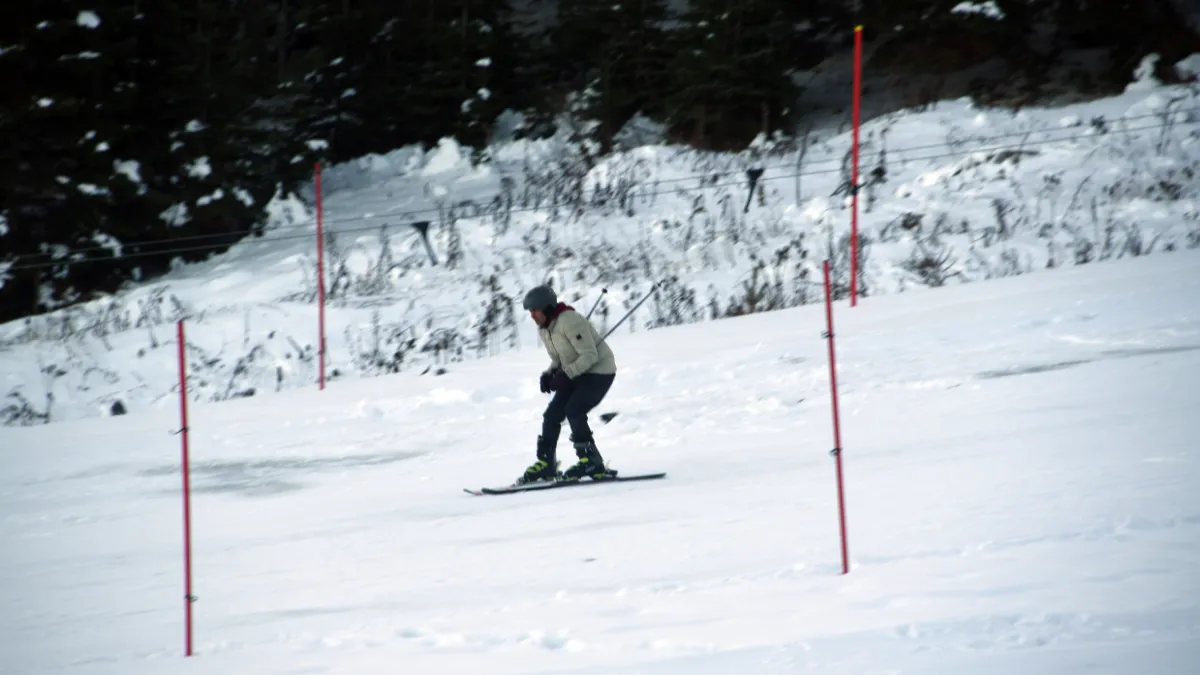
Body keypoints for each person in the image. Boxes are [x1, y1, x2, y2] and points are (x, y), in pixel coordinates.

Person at [518, 285, 617, 484]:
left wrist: (565, 375)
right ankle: (547, 464)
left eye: (535, 310)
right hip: (576, 373)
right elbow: (559, 359)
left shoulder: (569, 321)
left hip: (599, 371)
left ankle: (592, 461)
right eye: (530, 312)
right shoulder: (545, 330)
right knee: (552, 415)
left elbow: (590, 355)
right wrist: (550, 373)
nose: (533, 316)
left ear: (546, 308)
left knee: (574, 410)